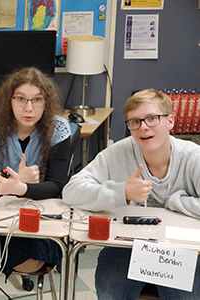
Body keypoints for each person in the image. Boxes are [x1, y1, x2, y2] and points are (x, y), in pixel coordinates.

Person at [63, 89, 200, 299]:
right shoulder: (117, 152)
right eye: (134, 121)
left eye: (152, 118)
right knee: (110, 287)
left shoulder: (192, 157)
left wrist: (177, 201)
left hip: (180, 249)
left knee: (186, 295)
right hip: (127, 246)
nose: (143, 127)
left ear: (170, 121)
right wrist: (121, 192)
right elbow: (71, 191)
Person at [0, 67, 72, 277]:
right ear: (9, 101)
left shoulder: (59, 130)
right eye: (21, 99)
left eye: (37, 100)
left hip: (40, 218)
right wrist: (0, 185)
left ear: (46, 102)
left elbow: (56, 186)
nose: (29, 108)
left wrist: (21, 188)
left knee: (31, 254)